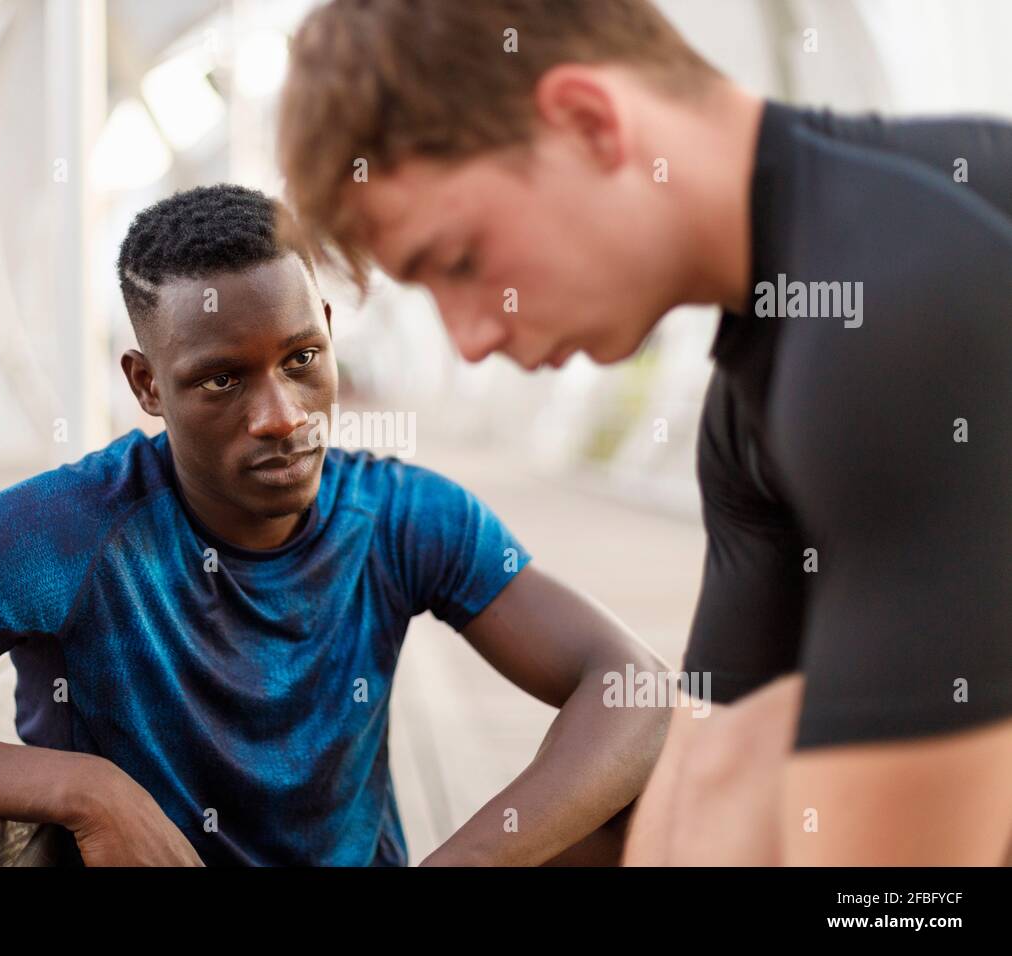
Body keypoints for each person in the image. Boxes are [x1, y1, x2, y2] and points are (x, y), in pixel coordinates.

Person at [0, 184, 666, 866]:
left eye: (302, 359)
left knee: (679, 798)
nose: (281, 415)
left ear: (329, 332)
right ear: (146, 386)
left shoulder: (401, 512)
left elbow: (631, 686)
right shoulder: (60, 533)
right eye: (222, 379)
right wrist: (85, 789)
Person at [276, 0, 1012, 864]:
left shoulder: (897, 313)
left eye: (462, 262)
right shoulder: (752, 403)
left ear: (590, 123)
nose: (472, 337)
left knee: (755, 759)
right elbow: (690, 778)